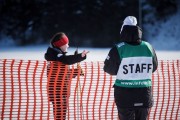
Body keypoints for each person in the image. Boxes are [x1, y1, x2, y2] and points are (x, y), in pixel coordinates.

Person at [103, 16, 158, 120]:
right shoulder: (148, 47)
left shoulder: (119, 48)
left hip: (125, 96)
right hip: (144, 94)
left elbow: (109, 69)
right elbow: (154, 67)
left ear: (123, 30)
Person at [44, 32, 89, 120]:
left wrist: (76, 72)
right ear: (60, 45)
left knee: (61, 115)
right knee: (60, 115)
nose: (68, 46)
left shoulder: (56, 55)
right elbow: (66, 60)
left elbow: (62, 73)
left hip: (61, 90)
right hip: (58, 91)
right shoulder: (57, 56)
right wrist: (80, 56)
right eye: (66, 44)